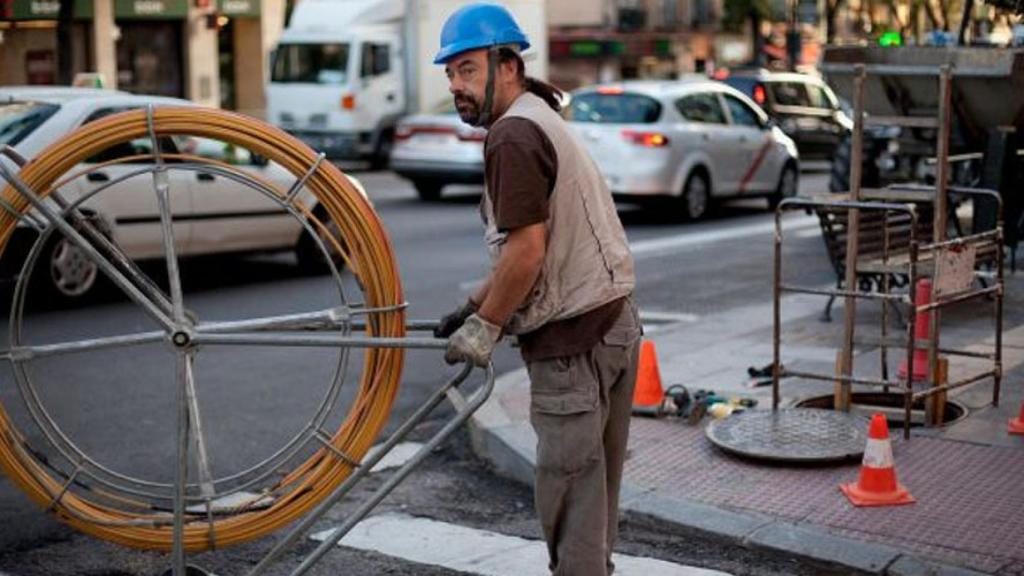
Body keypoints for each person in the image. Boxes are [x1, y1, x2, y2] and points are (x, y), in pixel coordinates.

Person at [432, 4, 641, 575]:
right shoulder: (539, 115)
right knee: (595, 499)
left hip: (574, 346)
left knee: (571, 500)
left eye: (467, 69)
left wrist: (486, 326)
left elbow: (527, 251)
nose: (455, 85)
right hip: (614, 323)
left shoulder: (512, 136)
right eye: (450, 73)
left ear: (507, 66)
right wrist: (474, 304)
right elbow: (533, 247)